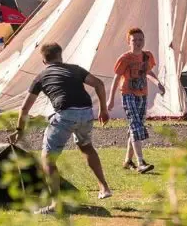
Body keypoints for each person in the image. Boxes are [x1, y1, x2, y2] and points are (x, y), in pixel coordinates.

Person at [10, 43, 112, 214]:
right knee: (86, 147)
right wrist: (103, 109)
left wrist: (19, 131)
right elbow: (99, 84)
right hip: (86, 112)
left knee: (47, 158)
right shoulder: (75, 69)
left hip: (65, 114)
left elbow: (25, 108)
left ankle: (55, 205)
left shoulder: (41, 76)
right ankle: (104, 187)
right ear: (61, 55)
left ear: (43, 59)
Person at [107, 28, 166, 173]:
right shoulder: (125, 58)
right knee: (135, 125)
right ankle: (140, 162)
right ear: (129, 42)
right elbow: (116, 77)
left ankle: (128, 160)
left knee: (135, 125)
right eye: (134, 40)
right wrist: (110, 99)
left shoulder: (147, 56)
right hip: (128, 93)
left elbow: (148, 72)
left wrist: (157, 83)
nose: (138, 43)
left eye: (140, 40)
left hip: (142, 94)